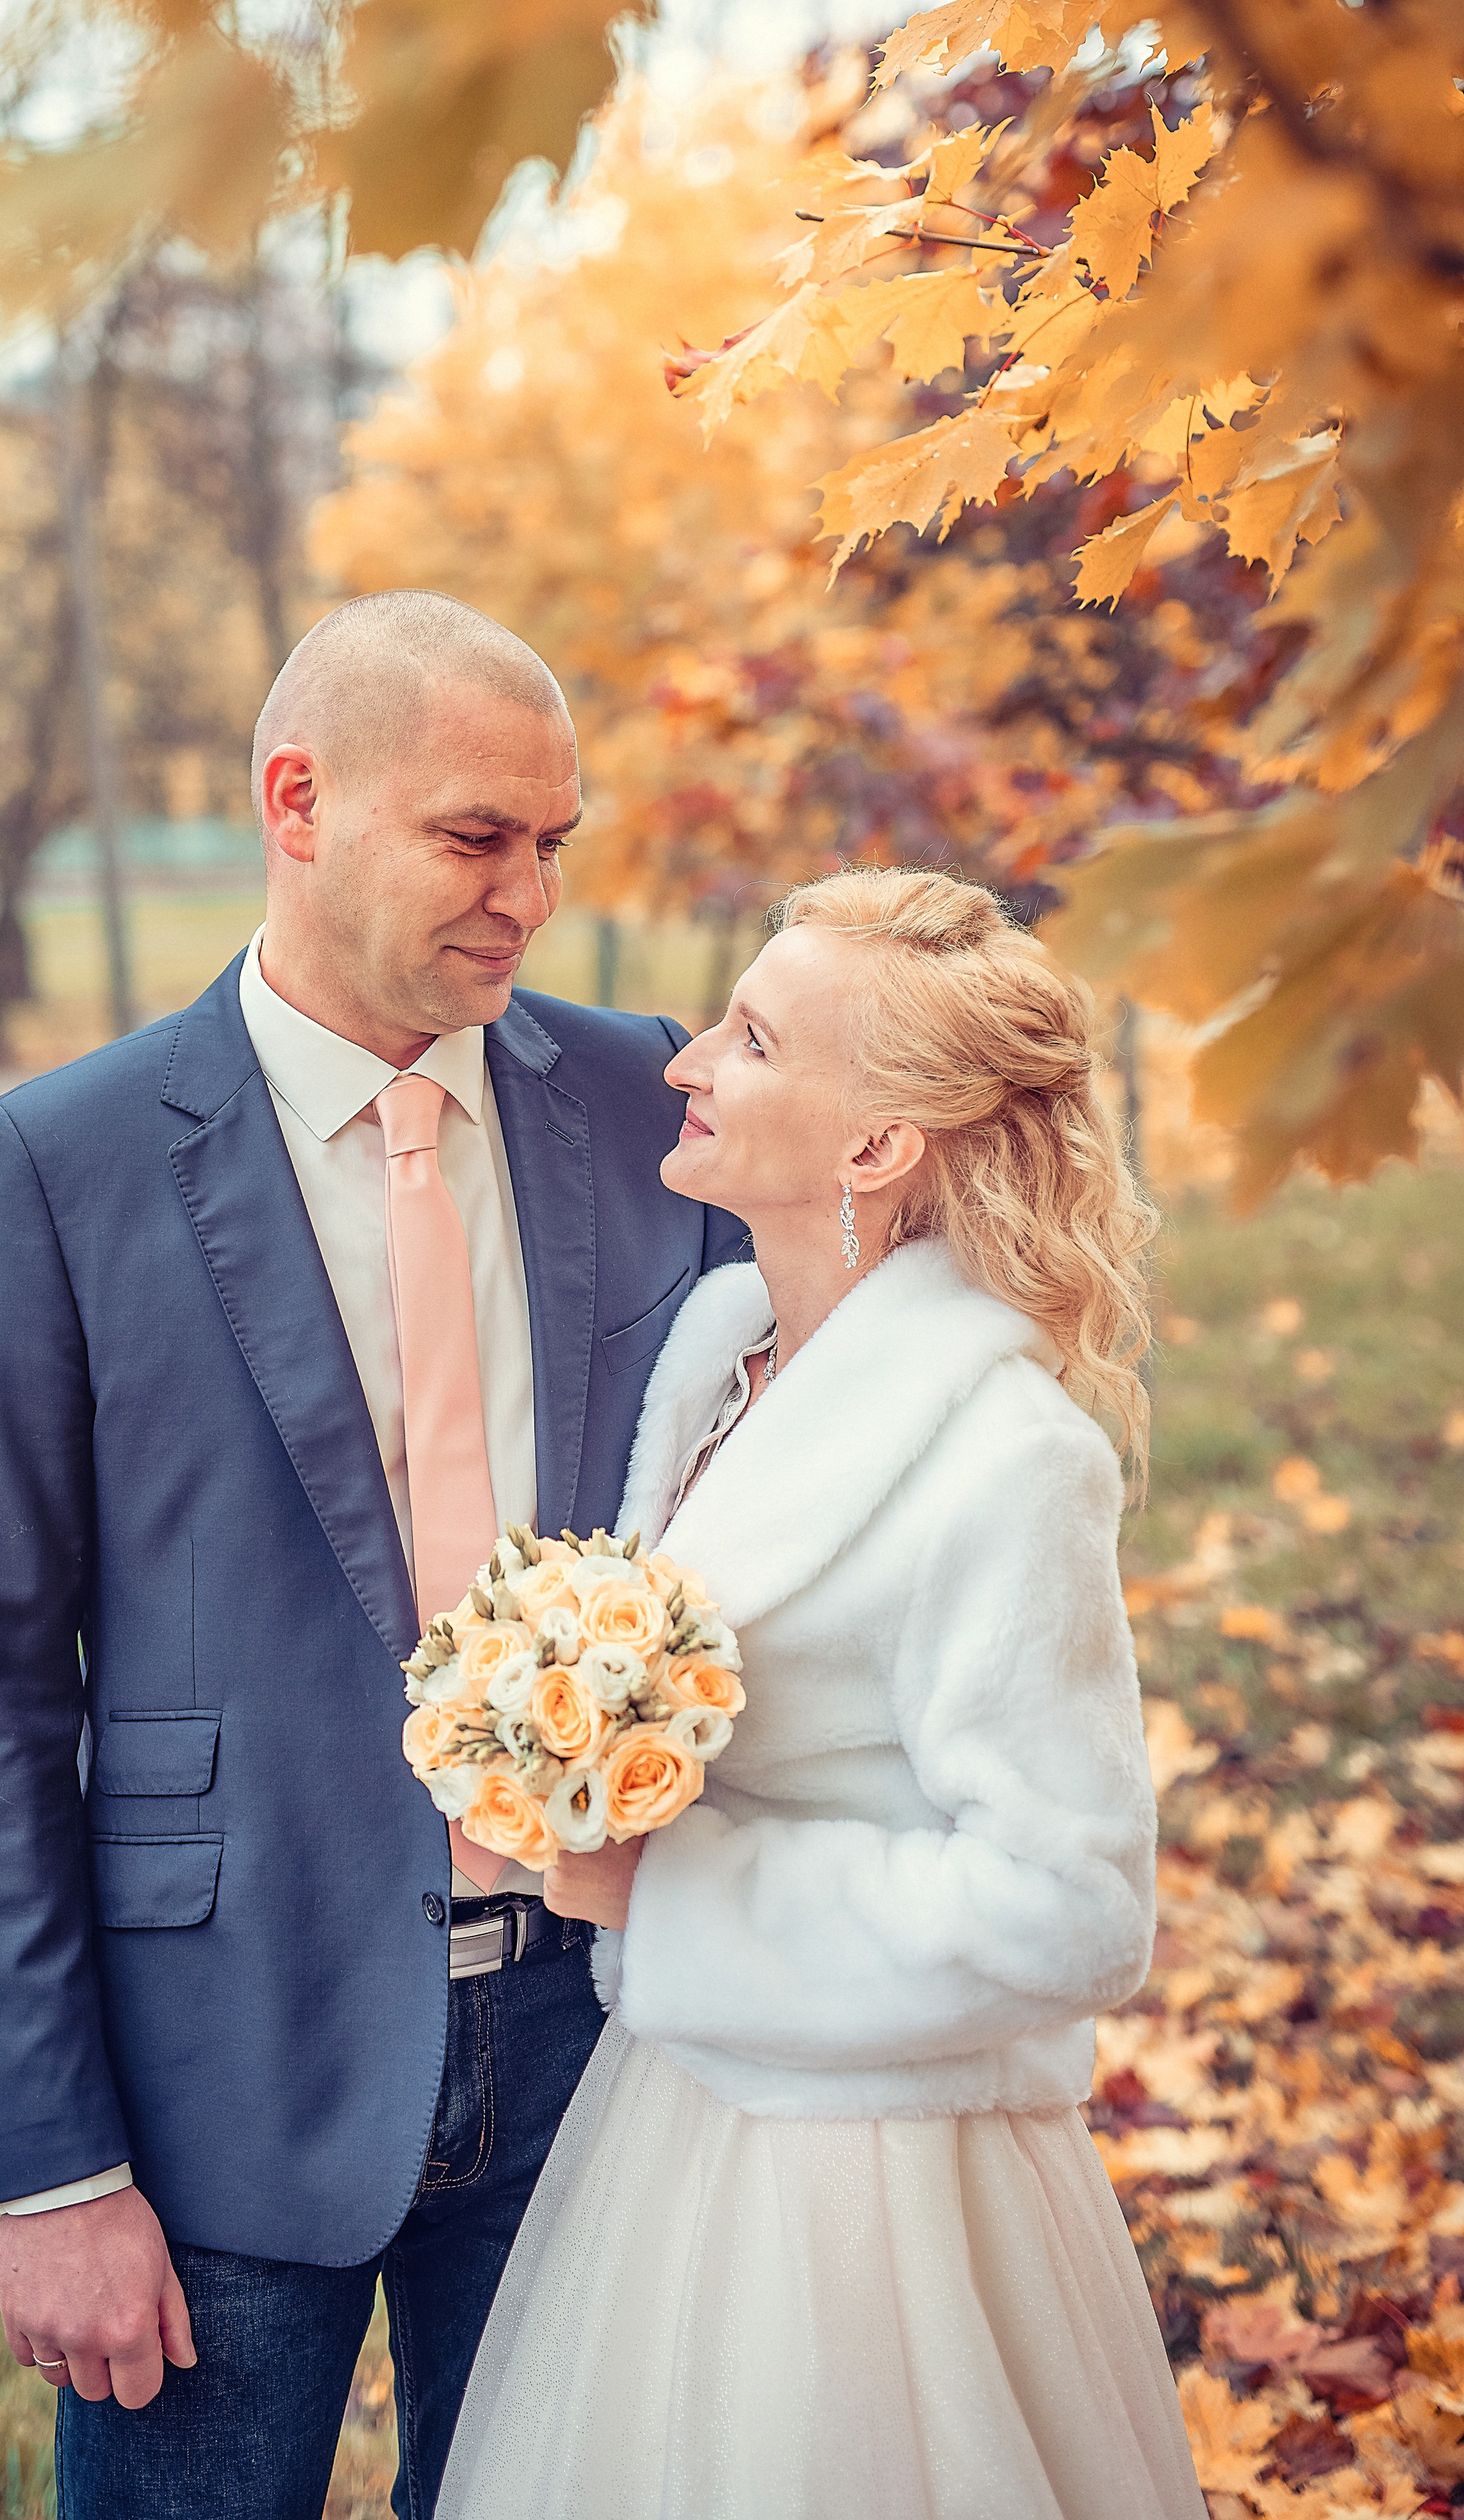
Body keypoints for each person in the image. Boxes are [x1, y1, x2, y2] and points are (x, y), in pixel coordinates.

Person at [0, 592, 746, 2520]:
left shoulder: (647, 1102)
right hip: (216, 2061)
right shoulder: (58, 1164)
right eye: (475, 836)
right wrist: (53, 2168)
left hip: (600, 2033)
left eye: (553, 840)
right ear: (297, 801)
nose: (529, 894)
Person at [438, 865, 1206, 2520]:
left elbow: (1075, 1904)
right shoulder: (714, 1366)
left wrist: (673, 1888)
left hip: (875, 2196)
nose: (688, 1060)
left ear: (873, 1148)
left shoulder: (1007, 1457)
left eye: (755, 1038)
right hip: (675, 2119)